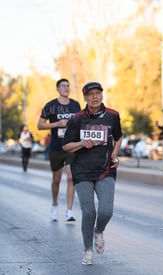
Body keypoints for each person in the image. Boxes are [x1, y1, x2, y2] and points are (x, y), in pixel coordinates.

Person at [62, 81, 123, 265]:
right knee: (88, 213)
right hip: (81, 171)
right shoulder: (77, 118)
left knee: (106, 211)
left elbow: (118, 137)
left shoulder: (113, 115)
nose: (95, 97)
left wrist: (114, 154)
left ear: (102, 95)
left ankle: (99, 230)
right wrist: (82, 143)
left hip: (105, 170)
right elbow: (66, 145)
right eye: (91, 94)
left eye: (98, 93)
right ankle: (88, 250)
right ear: (85, 97)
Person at [37, 78, 81, 222]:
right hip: (56, 147)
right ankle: (55, 204)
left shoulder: (75, 105)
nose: (66, 88)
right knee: (56, 179)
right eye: (63, 86)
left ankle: (69, 211)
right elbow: (40, 125)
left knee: (71, 177)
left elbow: (81, 123)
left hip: (71, 145)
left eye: (68, 86)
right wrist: (58, 124)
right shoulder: (50, 106)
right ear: (57, 89)